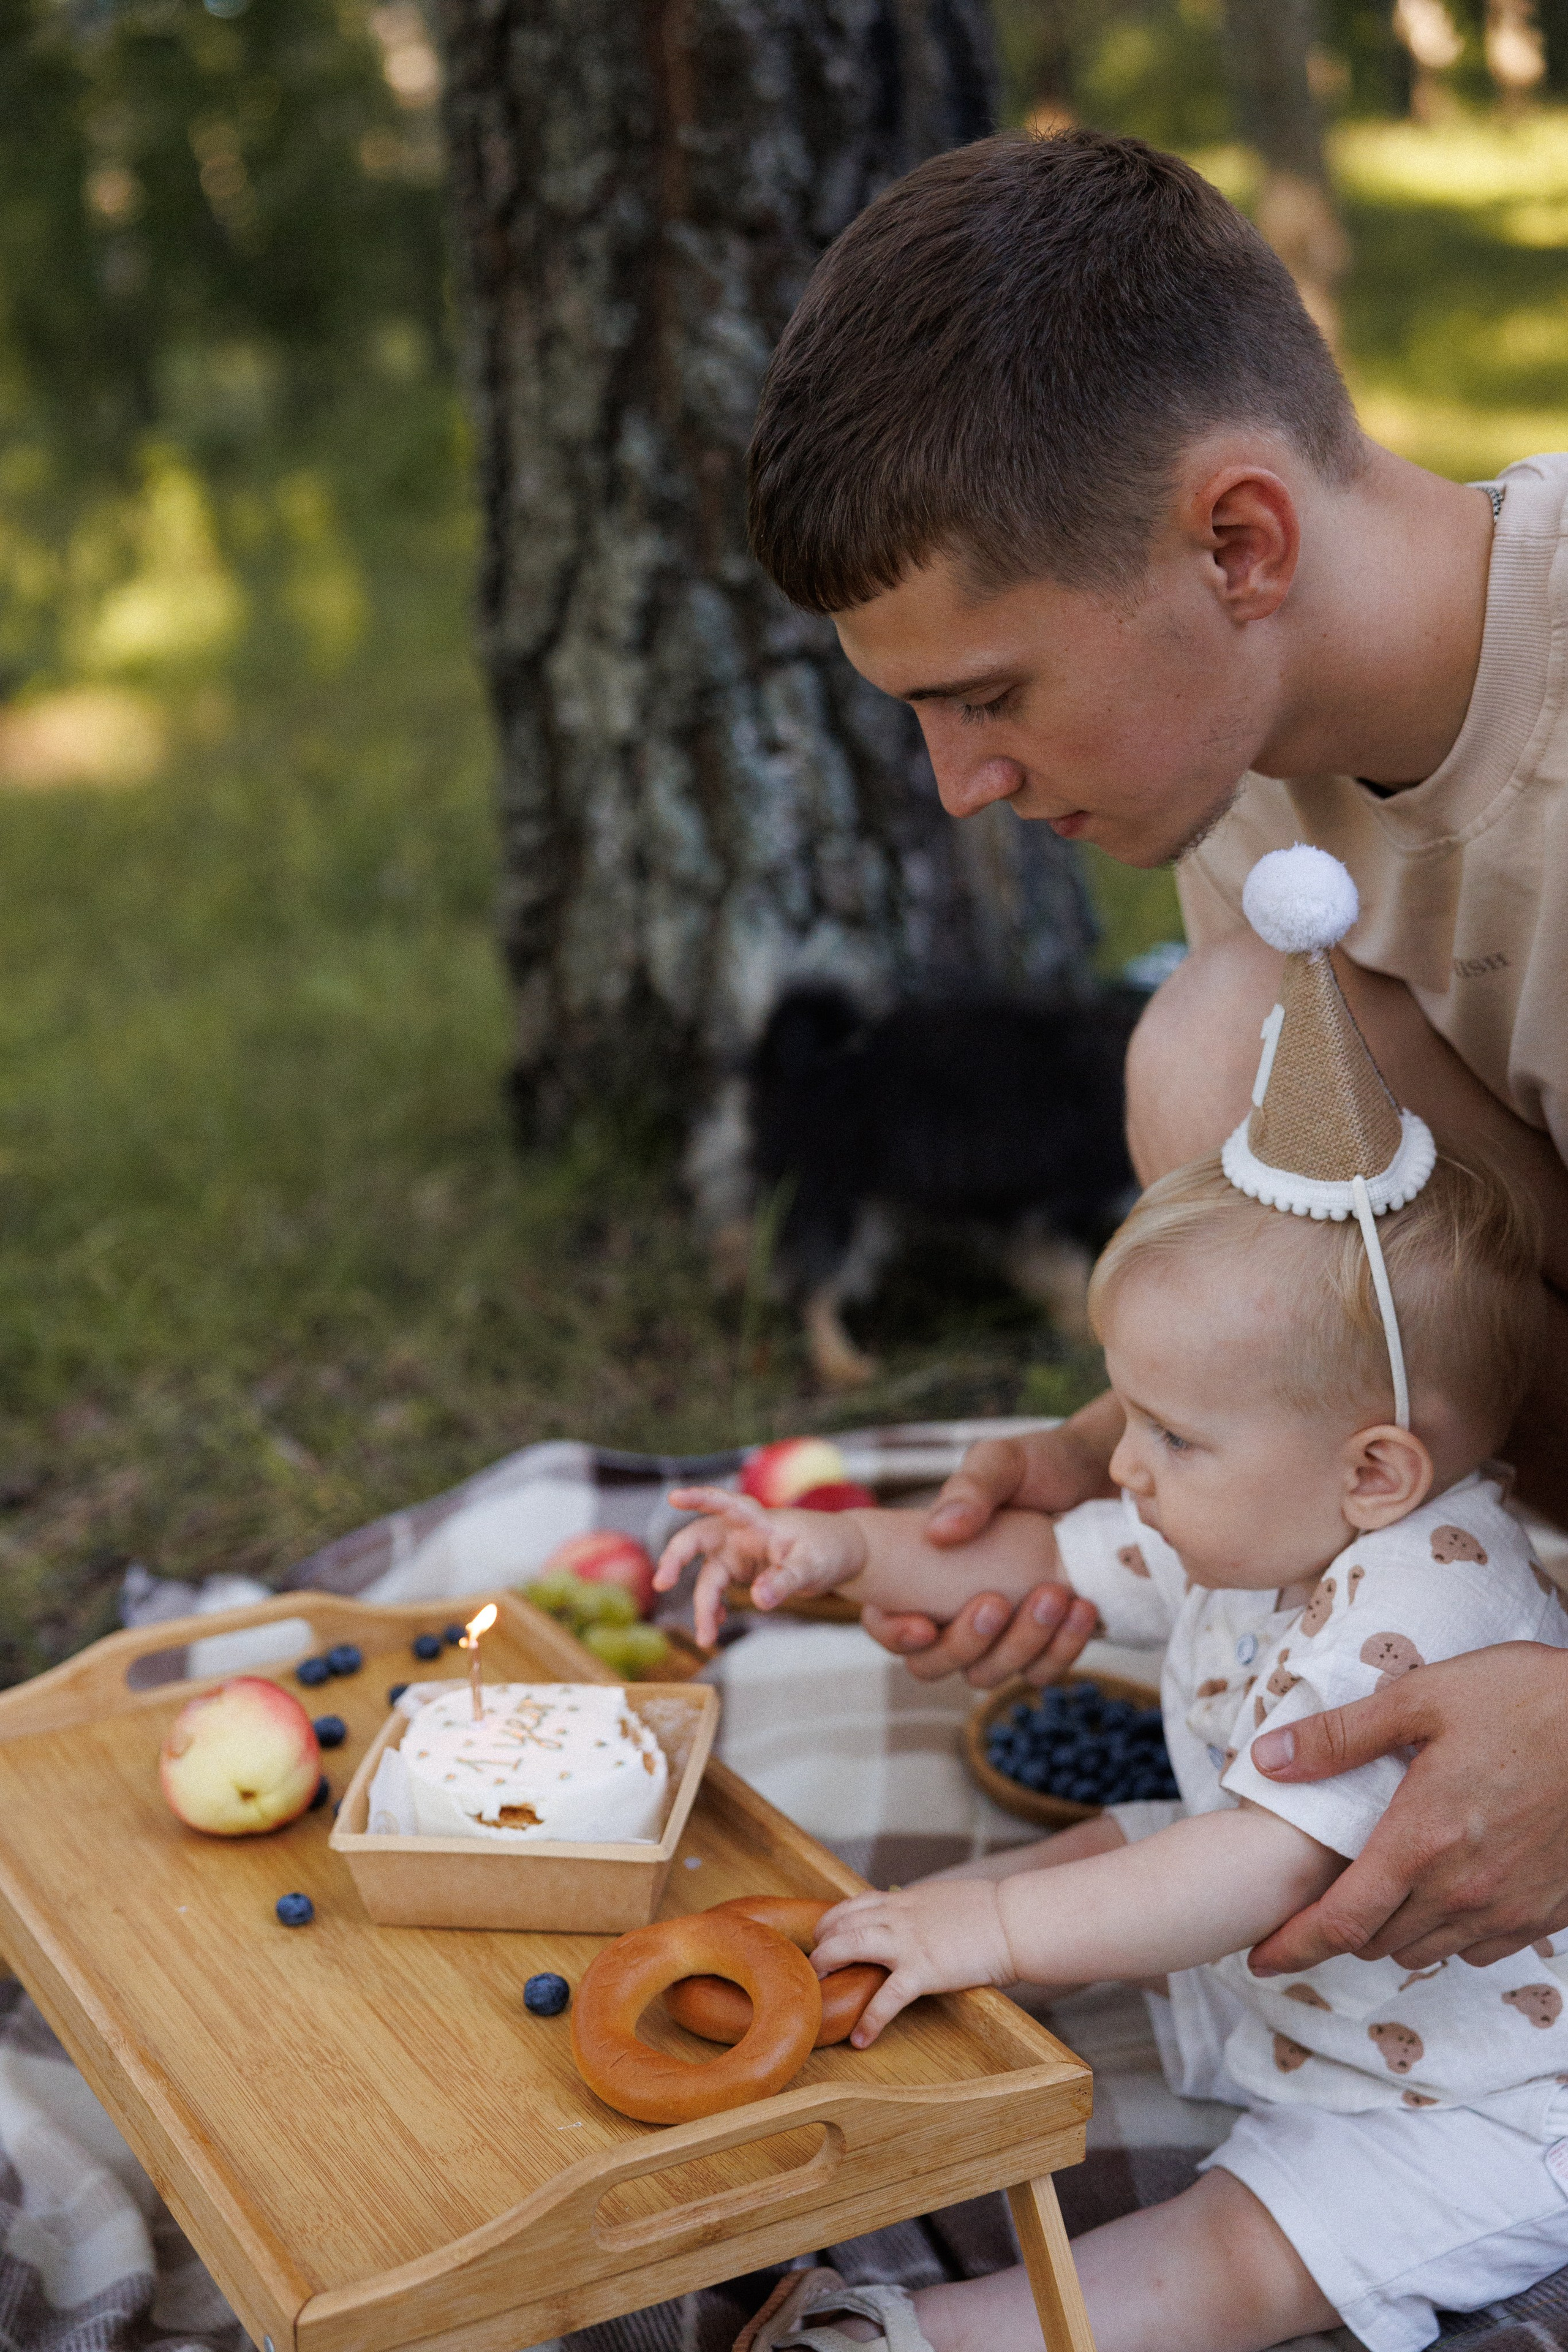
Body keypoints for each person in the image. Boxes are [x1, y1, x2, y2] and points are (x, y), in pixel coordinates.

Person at [744, 124, 1568, 1982]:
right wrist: (1137, 1438)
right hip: (1481, 1443)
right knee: (1219, 1052)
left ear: (1241, 539)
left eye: (990, 697)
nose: (966, 788)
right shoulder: (1236, 763)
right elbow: (1350, 1267)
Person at [663, 1136, 1565, 2352]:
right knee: (1121, 1846)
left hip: (1475, 2090)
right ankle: (861, 1966)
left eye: (1170, 1436)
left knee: (1246, 2249)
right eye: (1122, 1412)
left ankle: (927, 2336)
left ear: (1373, 1472)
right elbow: (1040, 1553)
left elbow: (1264, 1873)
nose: (1122, 1466)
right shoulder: (1281, 1511)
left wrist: (989, 1934)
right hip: (1298, 1974)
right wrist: (841, 1549)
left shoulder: (1421, 1613)